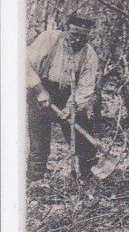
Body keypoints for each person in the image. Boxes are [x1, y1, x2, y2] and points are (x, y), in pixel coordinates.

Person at [27, 12, 99, 182]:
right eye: (74, 34)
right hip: (40, 87)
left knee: (83, 139)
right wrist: (39, 91)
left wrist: (72, 107)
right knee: (39, 143)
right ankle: (35, 181)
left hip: (68, 95)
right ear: (66, 29)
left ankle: (87, 177)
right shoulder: (49, 39)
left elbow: (85, 88)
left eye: (83, 37)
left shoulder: (89, 55)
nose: (77, 40)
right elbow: (25, 65)